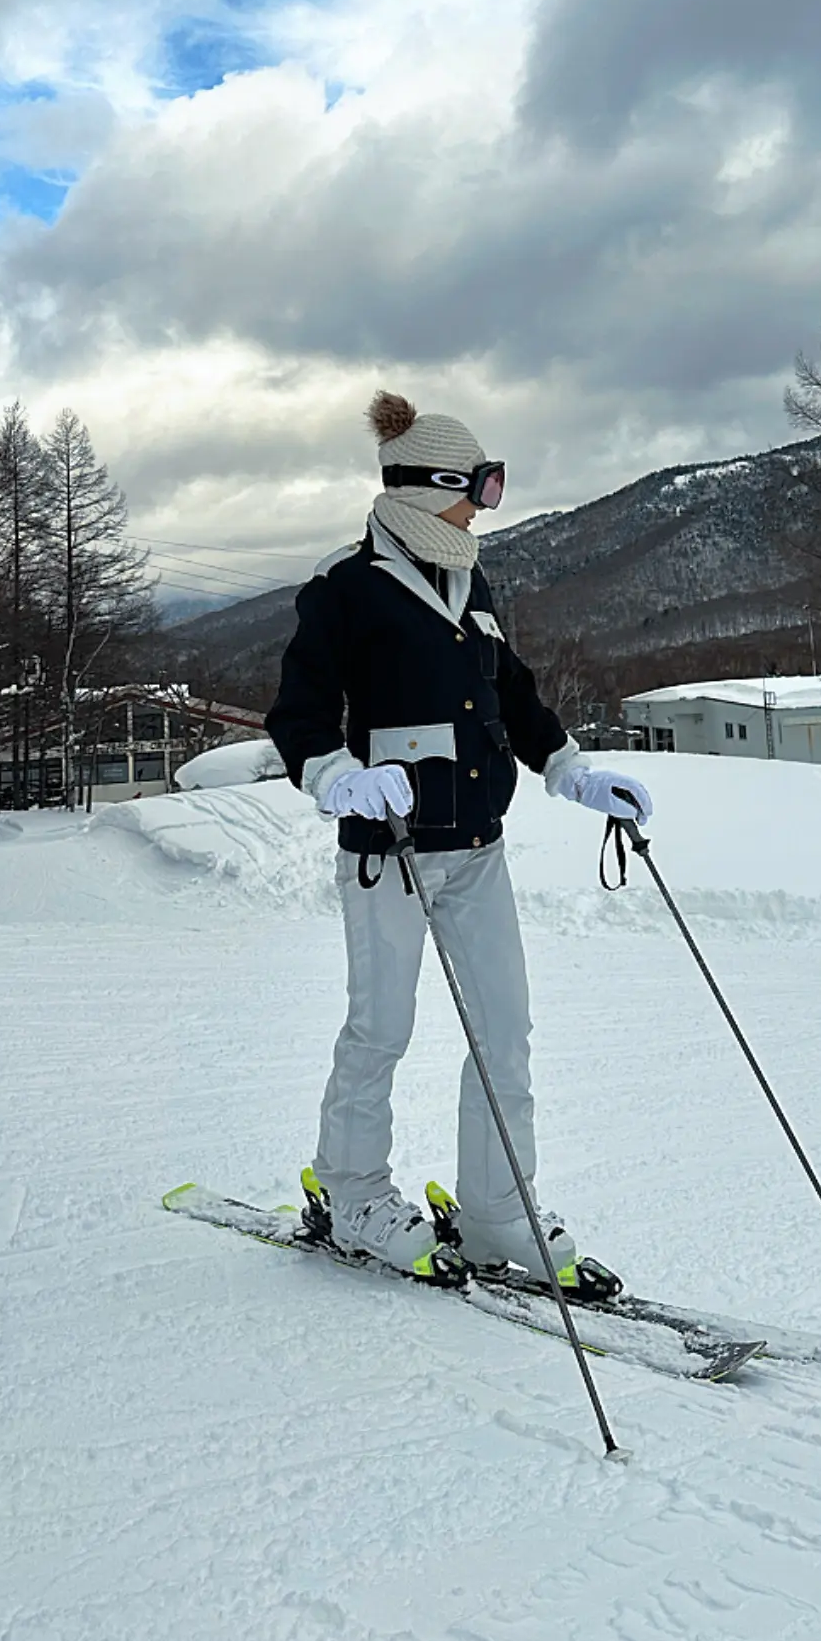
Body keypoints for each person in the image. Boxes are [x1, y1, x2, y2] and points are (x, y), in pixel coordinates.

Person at [265, 390, 654, 1283]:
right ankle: (353, 1195)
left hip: (477, 846)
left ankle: (496, 1213)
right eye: (477, 487)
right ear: (426, 487)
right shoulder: (345, 588)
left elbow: (509, 692)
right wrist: (336, 776)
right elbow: (299, 710)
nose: (483, 506)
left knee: (503, 1033)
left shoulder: (468, 581)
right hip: (390, 853)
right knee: (382, 1029)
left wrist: (571, 769)